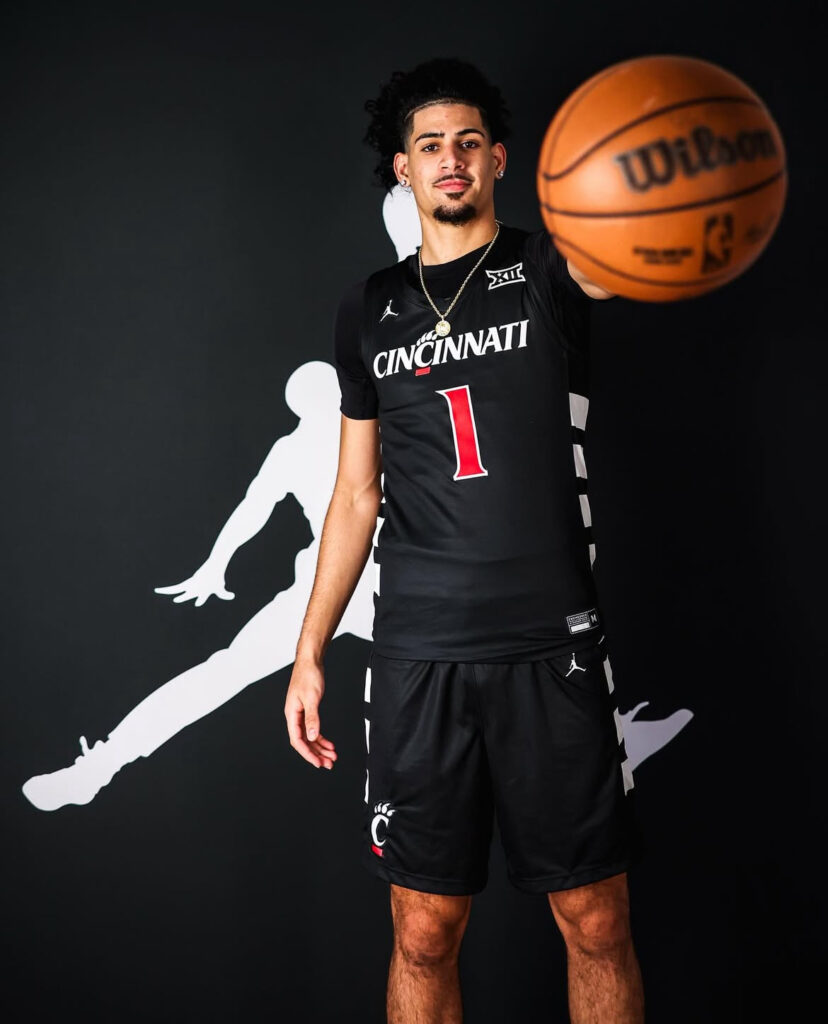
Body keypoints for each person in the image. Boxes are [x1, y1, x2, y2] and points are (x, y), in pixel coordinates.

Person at [285, 58, 645, 1024]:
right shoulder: (368, 307)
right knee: (422, 929)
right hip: (418, 655)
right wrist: (309, 650)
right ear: (402, 168)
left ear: (499, 160)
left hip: (551, 647)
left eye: (469, 143)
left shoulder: (552, 269)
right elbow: (355, 493)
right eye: (431, 145)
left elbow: (622, 258)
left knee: (596, 919)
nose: (452, 159)